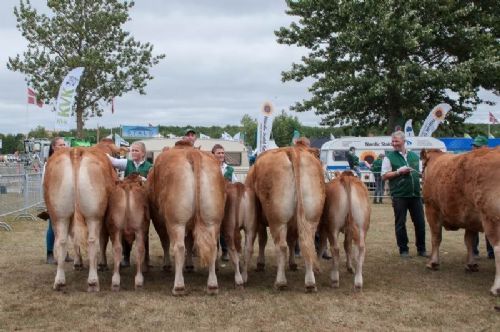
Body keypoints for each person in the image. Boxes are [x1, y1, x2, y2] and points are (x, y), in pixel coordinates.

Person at [382, 131, 427, 258]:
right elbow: (384, 176)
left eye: (396, 141)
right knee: (400, 223)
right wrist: (398, 172)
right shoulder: (389, 157)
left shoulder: (414, 156)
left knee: (420, 223)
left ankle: (422, 249)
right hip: (399, 195)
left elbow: (420, 173)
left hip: (415, 195)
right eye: (393, 141)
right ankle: (403, 250)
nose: (394, 144)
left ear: (403, 141)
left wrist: (421, 175)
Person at [108, 141, 152, 266]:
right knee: (125, 228)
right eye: (132, 150)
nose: (133, 153)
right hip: (127, 202)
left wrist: (144, 180)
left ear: (143, 153)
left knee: (143, 231)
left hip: (142, 203)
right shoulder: (126, 163)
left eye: (136, 150)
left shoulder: (149, 167)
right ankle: (126, 257)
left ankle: (145, 258)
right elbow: (111, 160)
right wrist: (104, 149)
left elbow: (151, 183)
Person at [44, 137, 72, 264]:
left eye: (64, 144)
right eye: (60, 145)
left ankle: (64, 253)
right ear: (54, 148)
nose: (64, 146)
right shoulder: (49, 163)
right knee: (53, 227)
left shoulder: (67, 161)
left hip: (67, 199)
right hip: (54, 199)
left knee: (68, 227)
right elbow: (44, 184)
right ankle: (49, 253)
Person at [470, 135, 494, 259]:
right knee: (473, 224)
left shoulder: (492, 161)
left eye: (478, 146)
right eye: (474, 146)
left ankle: (492, 252)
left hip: (488, 198)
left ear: (486, 146)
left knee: (490, 224)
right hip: (472, 198)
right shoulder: (469, 161)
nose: (475, 149)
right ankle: (474, 251)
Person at [212, 144, 237, 261]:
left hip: (227, 203)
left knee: (225, 228)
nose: (221, 155)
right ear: (213, 155)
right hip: (213, 203)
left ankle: (225, 251)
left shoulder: (229, 169)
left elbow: (235, 184)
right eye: (218, 153)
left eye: (222, 153)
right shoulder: (209, 168)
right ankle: (214, 251)